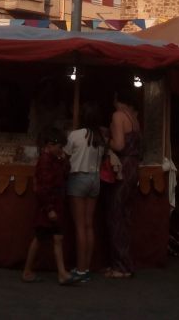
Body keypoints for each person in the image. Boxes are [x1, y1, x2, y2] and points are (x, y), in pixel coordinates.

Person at [22, 126, 73, 284]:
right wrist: (49, 209)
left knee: (57, 237)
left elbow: (64, 174)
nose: (61, 150)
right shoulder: (44, 162)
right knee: (40, 238)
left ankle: (61, 273)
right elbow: (43, 188)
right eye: (59, 147)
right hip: (48, 207)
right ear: (50, 145)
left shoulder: (54, 160)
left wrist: (64, 160)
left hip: (55, 204)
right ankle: (27, 271)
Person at [104, 86, 143, 280]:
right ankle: (126, 263)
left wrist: (105, 139)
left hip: (124, 166)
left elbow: (119, 145)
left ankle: (121, 266)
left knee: (115, 215)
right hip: (134, 166)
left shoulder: (118, 116)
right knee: (125, 215)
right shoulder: (133, 118)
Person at [65, 101, 106, 282]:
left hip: (78, 179)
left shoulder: (74, 136)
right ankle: (86, 267)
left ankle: (80, 270)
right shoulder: (100, 137)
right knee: (89, 225)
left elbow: (65, 156)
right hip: (95, 180)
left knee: (80, 226)